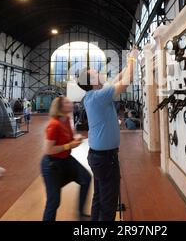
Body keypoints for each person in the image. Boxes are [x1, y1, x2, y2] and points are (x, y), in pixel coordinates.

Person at [77, 47, 138, 221]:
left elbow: (120, 77)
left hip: (99, 157)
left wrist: (128, 61)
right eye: (95, 72)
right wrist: (133, 59)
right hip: (105, 159)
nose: (99, 72)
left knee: (99, 198)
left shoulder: (93, 95)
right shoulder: (98, 96)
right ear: (92, 80)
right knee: (108, 204)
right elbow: (126, 81)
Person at [41, 96, 91, 221]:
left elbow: (71, 137)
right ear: (60, 107)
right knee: (54, 201)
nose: (71, 103)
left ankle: (80, 215)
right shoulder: (54, 125)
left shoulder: (67, 120)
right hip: (52, 165)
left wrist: (77, 138)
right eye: (67, 102)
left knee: (86, 178)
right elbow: (48, 150)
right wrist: (69, 145)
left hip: (66, 160)